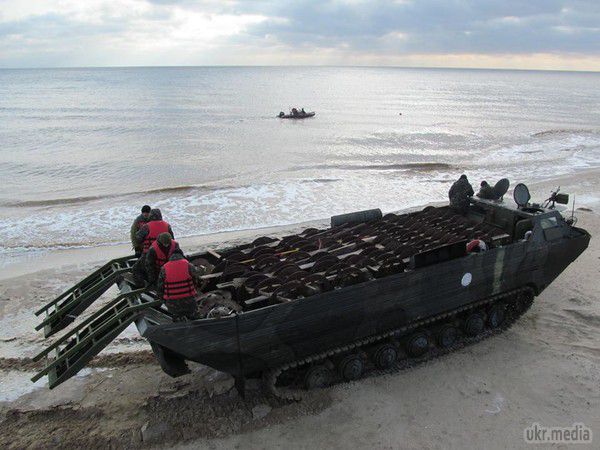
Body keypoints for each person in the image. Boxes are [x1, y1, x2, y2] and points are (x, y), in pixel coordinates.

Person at [157, 250, 202, 320]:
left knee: (176, 317)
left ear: (170, 257)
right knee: (196, 317)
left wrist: (164, 301)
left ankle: (177, 321)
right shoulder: (189, 265)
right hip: (189, 302)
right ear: (182, 255)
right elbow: (197, 280)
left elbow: (160, 288)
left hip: (172, 305)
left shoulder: (164, 268)